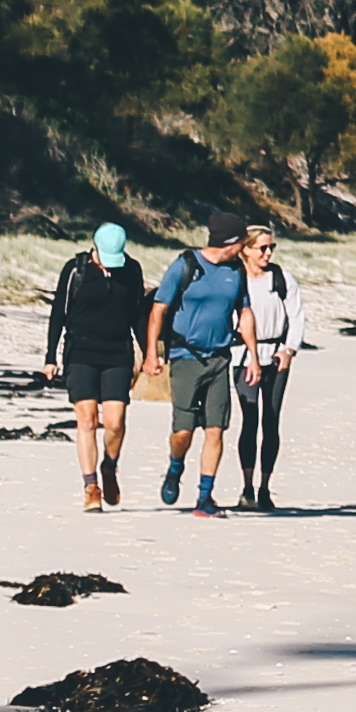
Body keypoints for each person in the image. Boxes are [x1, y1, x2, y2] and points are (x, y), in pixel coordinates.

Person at [148, 215, 256, 517]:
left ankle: (205, 497)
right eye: (242, 243)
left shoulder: (236, 271)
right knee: (183, 431)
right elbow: (159, 310)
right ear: (232, 242)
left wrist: (254, 356)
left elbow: (244, 313)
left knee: (215, 429)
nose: (244, 249)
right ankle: (175, 466)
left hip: (220, 358)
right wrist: (150, 354)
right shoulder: (185, 265)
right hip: (185, 357)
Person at [43, 221, 148, 513]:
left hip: (118, 352)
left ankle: (109, 467)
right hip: (80, 352)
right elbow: (57, 315)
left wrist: (150, 353)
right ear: (95, 249)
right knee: (87, 420)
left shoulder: (132, 270)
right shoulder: (75, 270)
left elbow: (138, 315)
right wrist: (50, 357)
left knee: (114, 422)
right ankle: (90, 486)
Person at [229, 219, 303, 511]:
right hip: (242, 358)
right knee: (249, 419)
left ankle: (265, 487)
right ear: (245, 250)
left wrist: (289, 350)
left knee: (271, 421)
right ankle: (246, 487)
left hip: (275, 356)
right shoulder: (234, 279)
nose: (268, 253)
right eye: (262, 248)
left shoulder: (282, 279)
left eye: (271, 247)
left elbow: (296, 317)